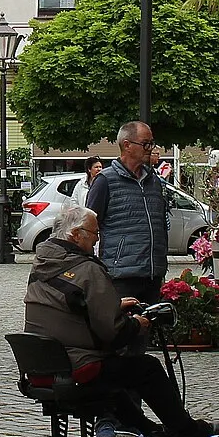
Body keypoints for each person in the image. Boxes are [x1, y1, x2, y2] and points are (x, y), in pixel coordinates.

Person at [24, 205, 219, 437]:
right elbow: (113, 332)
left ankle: (153, 432)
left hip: (45, 363)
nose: (98, 238)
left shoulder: (44, 263)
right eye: (94, 233)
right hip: (77, 362)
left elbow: (68, 305)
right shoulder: (87, 268)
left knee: (115, 383)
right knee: (146, 368)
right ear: (76, 235)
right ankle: (187, 431)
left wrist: (112, 305)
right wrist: (137, 324)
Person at [87, 121, 169, 304]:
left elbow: (160, 223)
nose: (150, 149)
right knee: (125, 329)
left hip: (153, 273)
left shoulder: (153, 180)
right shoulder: (105, 181)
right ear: (127, 145)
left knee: (150, 328)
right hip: (122, 275)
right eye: (146, 143)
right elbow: (88, 224)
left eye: (152, 143)